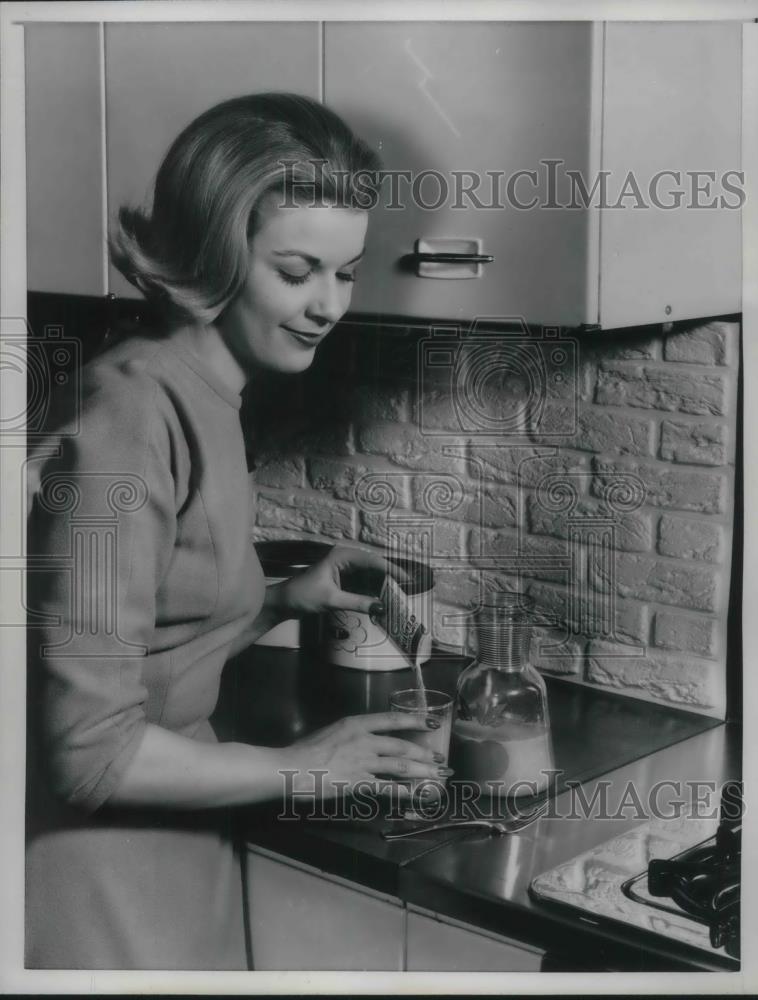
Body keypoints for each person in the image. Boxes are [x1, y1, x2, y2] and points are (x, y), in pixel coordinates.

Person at [25, 93, 443, 971]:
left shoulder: (207, 392)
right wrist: (307, 766)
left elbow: (142, 639)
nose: (329, 305)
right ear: (216, 255)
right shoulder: (127, 414)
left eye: (346, 271)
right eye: (297, 272)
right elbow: (87, 754)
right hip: (90, 875)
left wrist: (286, 597)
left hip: (180, 840)